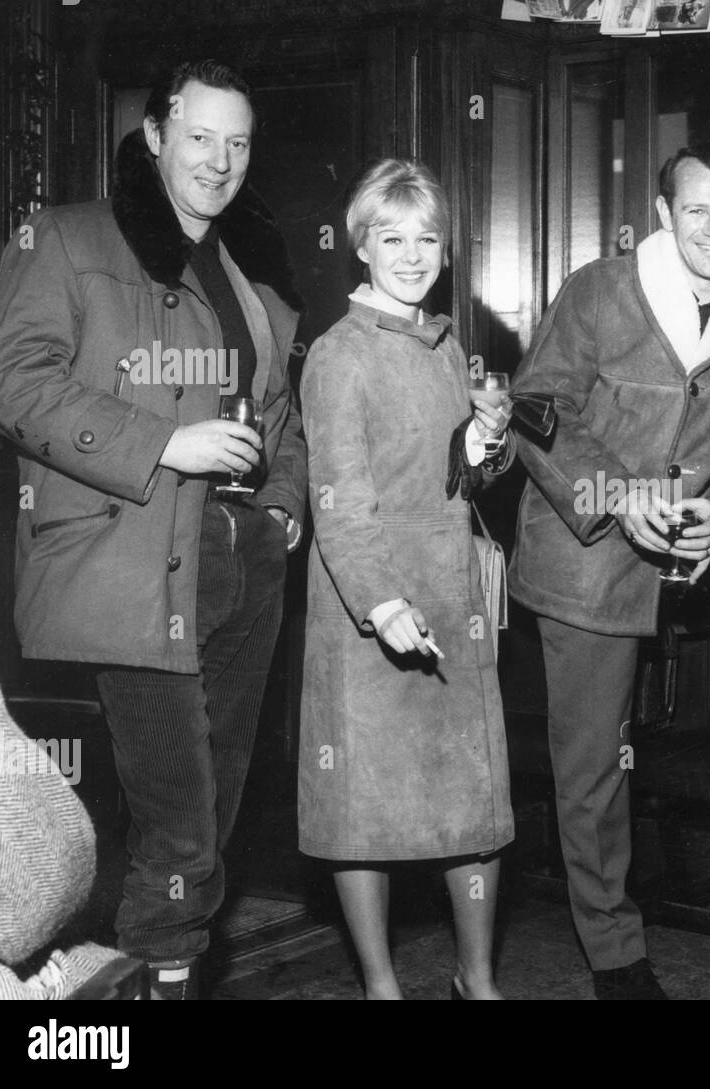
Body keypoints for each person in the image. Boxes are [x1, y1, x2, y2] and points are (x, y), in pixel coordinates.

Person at [0, 59, 307, 999]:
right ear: (157, 135)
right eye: (199, 136)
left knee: (213, 817)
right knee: (182, 825)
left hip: (241, 561)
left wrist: (283, 510)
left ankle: (153, 986)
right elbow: (10, 384)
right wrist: (169, 443)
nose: (220, 160)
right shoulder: (69, 236)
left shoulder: (249, 272)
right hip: (132, 559)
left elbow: (281, 411)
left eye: (238, 142)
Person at [510, 143, 710, 999]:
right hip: (588, 555)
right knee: (596, 764)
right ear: (664, 212)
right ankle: (615, 953)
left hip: (702, 566)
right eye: (695, 210)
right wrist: (618, 491)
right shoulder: (599, 291)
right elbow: (538, 410)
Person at [298, 159, 515, 1001]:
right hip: (369, 599)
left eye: (427, 237)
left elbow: (447, 478)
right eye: (392, 237)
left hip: (451, 592)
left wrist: (477, 447)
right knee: (364, 807)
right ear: (361, 245)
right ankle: (381, 986)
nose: (413, 253)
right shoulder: (338, 354)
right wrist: (382, 603)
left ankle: (478, 979)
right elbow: (340, 502)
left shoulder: (446, 341)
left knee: (472, 797)